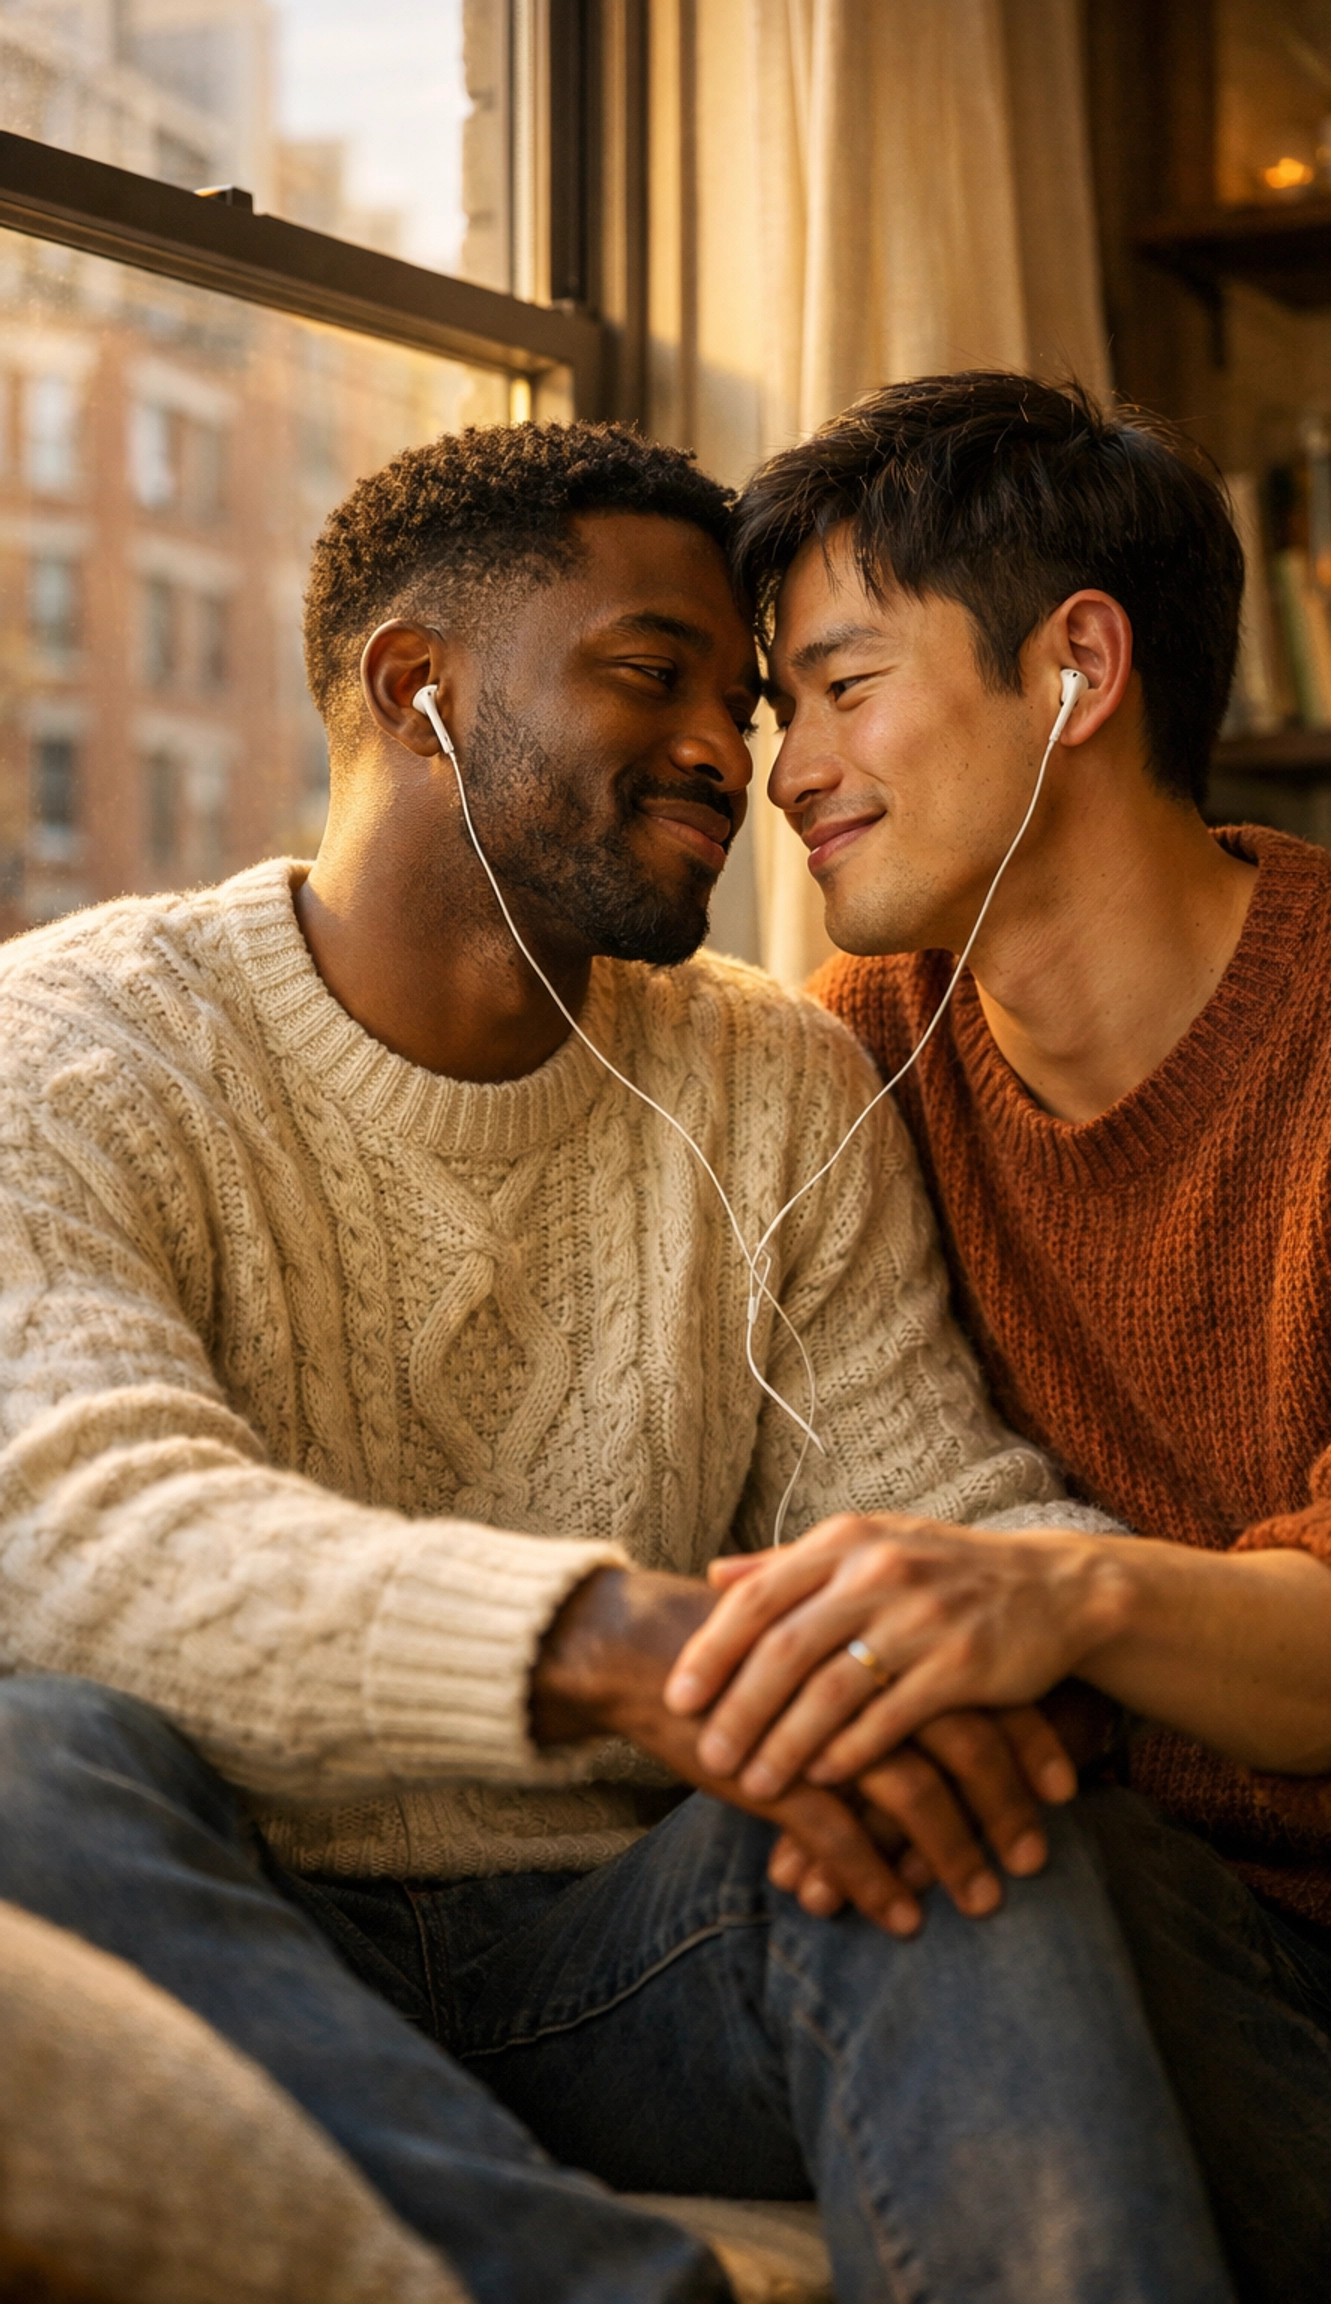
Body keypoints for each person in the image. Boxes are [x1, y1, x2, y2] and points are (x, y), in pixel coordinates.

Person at [0, 417, 1223, 2304]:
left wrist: (975, 1655)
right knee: (26, 1753)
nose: (734, 759)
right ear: (419, 692)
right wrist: (611, 1648)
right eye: (655, 680)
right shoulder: (79, 1044)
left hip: (628, 1953)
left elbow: (932, 1495)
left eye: (747, 703)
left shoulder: (778, 1073)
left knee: (944, 1792)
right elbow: (76, 1529)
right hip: (231, 1918)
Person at [664, 371, 1331, 2304]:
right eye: (776, 708)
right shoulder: (857, 1052)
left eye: (843, 684)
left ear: (1077, 665)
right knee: (1000, 1856)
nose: (787, 769)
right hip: (1175, 1942)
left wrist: (1072, 1602)